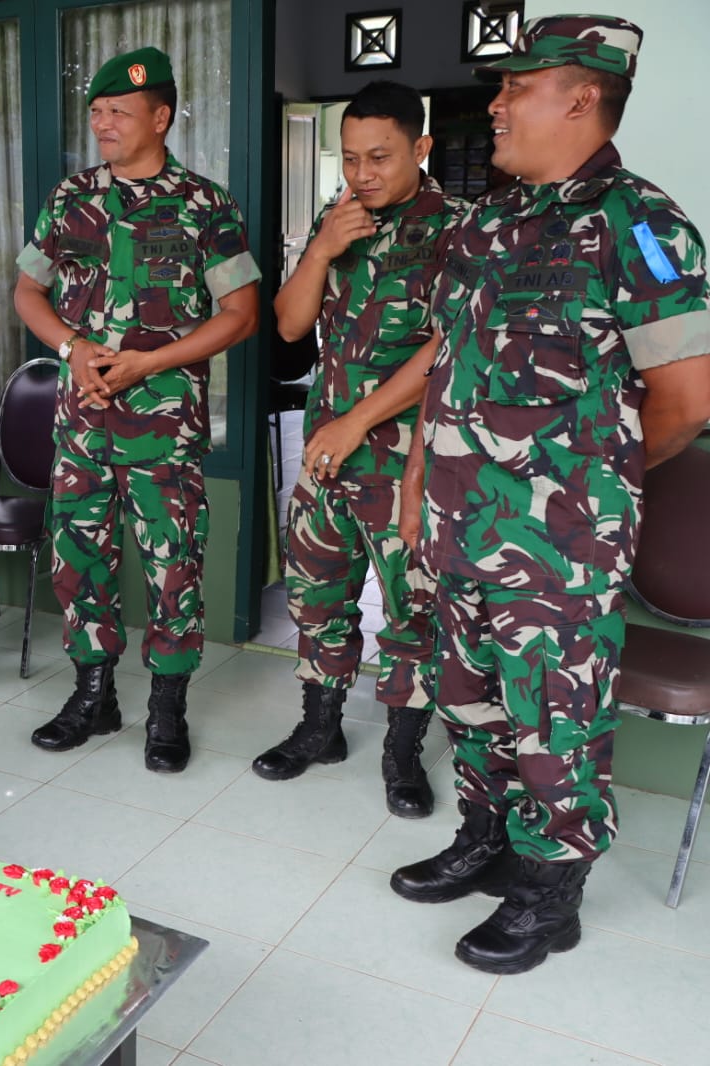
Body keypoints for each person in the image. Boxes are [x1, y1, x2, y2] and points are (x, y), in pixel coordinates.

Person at [392, 16, 710, 974]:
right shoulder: (486, 220)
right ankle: (487, 838)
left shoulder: (642, 225)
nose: (495, 102)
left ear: (581, 96)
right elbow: (445, 367)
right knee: (470, 697)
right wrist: (417, 486)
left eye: (516, 86)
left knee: (553, 717)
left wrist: (580, 490)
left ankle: (549, 891)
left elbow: (688, 400)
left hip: (557, 538)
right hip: (456, 522)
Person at [14, 48, 261, 770]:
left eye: (118, 111)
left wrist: (152, 360)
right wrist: (72, 348)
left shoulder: (205, 205)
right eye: (96, 112)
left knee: (172, 564)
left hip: (162, 423)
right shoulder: (70, 198)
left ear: (162, 115)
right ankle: (94, 695)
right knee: (79, 559)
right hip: (82, 418)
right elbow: (28, 291)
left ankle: (167, 707)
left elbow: (241, 312)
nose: (103, 124)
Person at [252, 81, 467, 819]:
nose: (362, 173)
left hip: (409, 463)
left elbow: (446, 349)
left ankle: (402, 753)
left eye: (380, 157)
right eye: (349, 158)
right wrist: (320, 247)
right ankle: (320, 729)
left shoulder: (458, 230)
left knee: (413, 608)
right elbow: (286, 326)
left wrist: (357, 422)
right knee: (317, 596)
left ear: (422, 147)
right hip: (326, 457)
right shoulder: (337, 217)